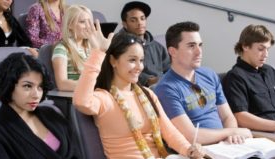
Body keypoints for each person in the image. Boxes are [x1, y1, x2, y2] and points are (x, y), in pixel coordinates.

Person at [73, 20, 205, 158]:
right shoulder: (104, 98)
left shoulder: (147, 94)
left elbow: (169, 132)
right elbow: (81, 102)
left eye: (141, 60)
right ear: (113, 61)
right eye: (132, 60)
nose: (139, 67)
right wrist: (98, 53)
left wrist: (189, 149)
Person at [154, 21, 252, 145]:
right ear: (173, 51)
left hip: (226, 145)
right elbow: (191, 136)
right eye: (191, 46)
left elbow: (227, 117)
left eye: (200, 45)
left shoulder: (209, 74)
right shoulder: (166, 88)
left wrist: (231, 135)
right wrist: (230, 133)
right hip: (200, 151)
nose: (199, 51)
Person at [0, 52, 81, 158]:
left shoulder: (52, 114)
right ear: (8, 85)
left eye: (40, 87)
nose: (36, 95)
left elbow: (76, 154)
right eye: (27, 86)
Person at [222, 24, 275, 133]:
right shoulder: (235, 76)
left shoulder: (270, 71)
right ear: (245, 46)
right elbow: (240, 117)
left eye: (268, 49)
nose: (266, 54)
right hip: (262, 134)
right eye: (261, 49)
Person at [119, 1, 170, 87]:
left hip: (161, 87)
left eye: (142, 18)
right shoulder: (119, 45)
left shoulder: (157, 47)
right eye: (133, 20)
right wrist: (147, 80)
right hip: (135, 88)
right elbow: (120, 70)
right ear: (125, 24)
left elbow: (169, 69)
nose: (139, 23)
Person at [52, 5, 94, 91]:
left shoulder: (92, 48)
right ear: (70, 25)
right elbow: (62, 84)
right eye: (82, 22)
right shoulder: (61, 49)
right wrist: (93, 86)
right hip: (78, 98)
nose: (88, 26)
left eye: (90, 22)